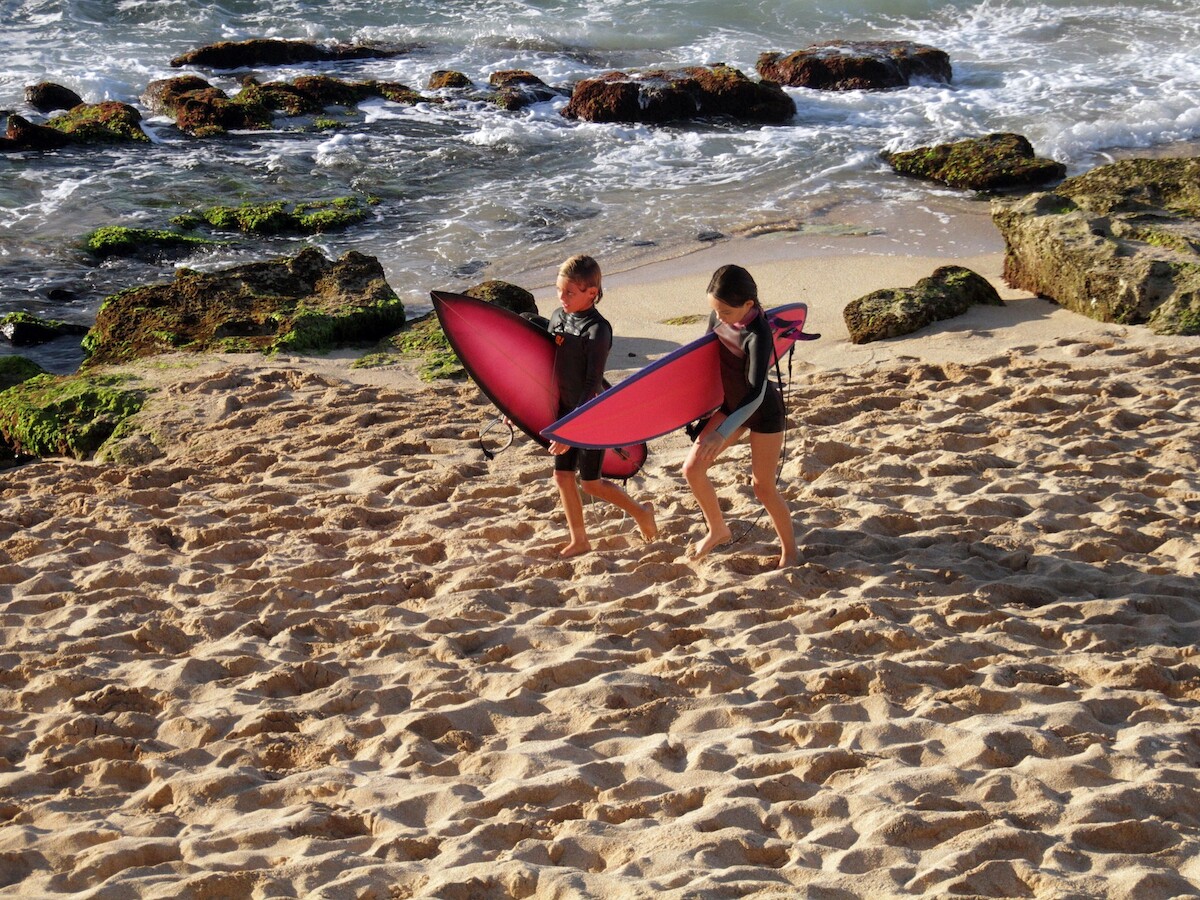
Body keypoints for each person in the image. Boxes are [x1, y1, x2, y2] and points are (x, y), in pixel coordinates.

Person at [682, 264, 797, 569]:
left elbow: (757, 392)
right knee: (692, 469)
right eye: (715, 310)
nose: (719, 317)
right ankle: (718, 529)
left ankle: (791, 552)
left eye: (725, 312)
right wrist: (700, 413)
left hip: (763, 414)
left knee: (763, 487)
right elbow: (705, 363)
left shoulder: (758, 334)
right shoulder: (719, 315)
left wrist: (721, 432)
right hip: (730, 407)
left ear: (748, 305)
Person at [546, 254, 656, 557]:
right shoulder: (558, 317)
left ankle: (641, 512)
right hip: (565, 408)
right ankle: (579, 539)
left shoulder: (598, 330)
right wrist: (514, 410)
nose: (561, 297)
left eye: (569, 292)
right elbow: (545, 367)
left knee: (591, 484)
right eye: (559, 290)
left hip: (591, 413)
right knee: (562, 476)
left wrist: (570, 428)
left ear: (591, 293)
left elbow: (592, 384)